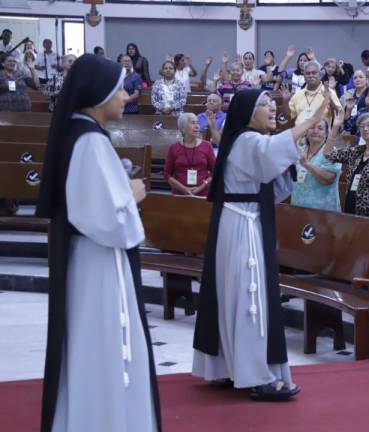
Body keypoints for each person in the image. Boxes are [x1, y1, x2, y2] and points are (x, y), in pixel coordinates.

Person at [35, 53, 161, 432]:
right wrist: (133, 194)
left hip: (91, 262)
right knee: (104, 351)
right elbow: (106, 222)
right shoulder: (89, 141)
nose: (126, 96)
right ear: (97, 93)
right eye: (120, 89)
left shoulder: (81, 135)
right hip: (98, 264)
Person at [192, 89, 332, 400]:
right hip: (242, 223)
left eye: (272, 103)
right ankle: (255, 375)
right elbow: (272, 153)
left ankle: (229, 368)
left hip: (241, 220)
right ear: (248, 113)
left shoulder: (247, 142)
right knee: (248, 299)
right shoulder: (247, 140)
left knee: (236, 296)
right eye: (264, 105)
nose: (271, 109)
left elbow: (273, 183)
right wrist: (311, 121)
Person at [327, 112, 369, 218]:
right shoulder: (356, 151)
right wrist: (335, 127)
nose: (365, 129)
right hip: (351, 207)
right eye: (362, 126)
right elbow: (329, 155)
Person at [292, 117, 343, 212]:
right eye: (312, 127)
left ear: (326, 133)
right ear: (306, 131)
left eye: (320, 128)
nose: (315, 131)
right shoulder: (301, 150)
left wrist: (307, 165)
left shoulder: (331, 151)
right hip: (298, 206)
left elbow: (329, 179)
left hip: (323, 211)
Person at [164, 112, 217, 196]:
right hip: (179, 194)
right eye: (193, 123)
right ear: (183, 128)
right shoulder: (173, 148)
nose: (197, 126)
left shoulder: (207, 146)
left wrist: (202, 187)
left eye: (197, 123)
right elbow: (167, 175)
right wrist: (184, 189)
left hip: (202, 193)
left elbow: (215, 172)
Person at [288, 60, 341, 125]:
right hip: (301, 134)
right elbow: (289, 118)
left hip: (321, 134)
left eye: (314, 73)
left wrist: (329, 99)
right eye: (308, 73)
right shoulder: (297, 96)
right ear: (304, 77)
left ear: (320, 75)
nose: (311, 75)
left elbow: (340, 115)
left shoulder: (330, 92)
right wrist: (285, 101)